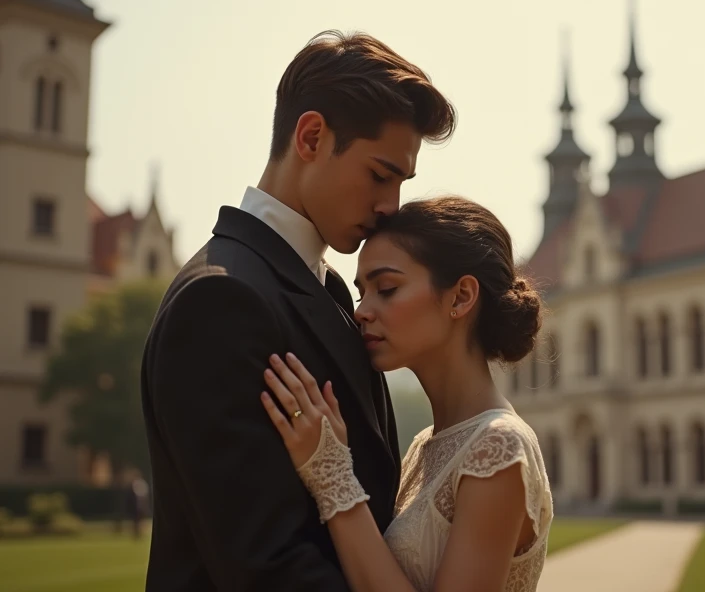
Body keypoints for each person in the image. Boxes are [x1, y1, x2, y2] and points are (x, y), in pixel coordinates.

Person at [140, 30, 456, 591]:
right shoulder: (219, 301)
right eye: (380, 175)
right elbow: (267, 566)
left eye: (402, 184)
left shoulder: (329, 286)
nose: (391, 208)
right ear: (311, 136)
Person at [260, 196, 553, 592]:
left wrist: (331, 475)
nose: (362, 311)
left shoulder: (499, 448)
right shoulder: (422, 446)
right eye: (363, 292)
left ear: (461, 297)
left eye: (387, 288)